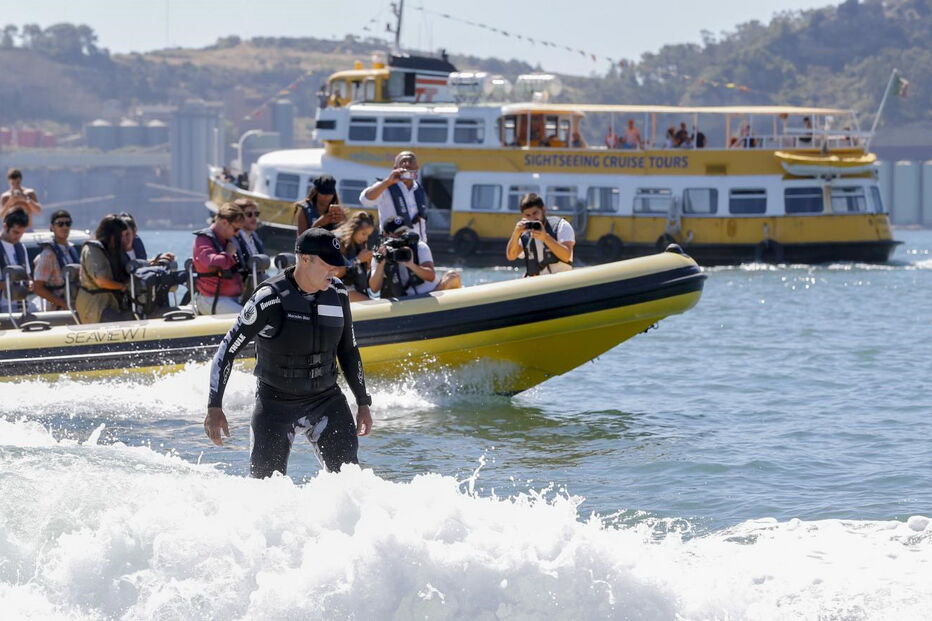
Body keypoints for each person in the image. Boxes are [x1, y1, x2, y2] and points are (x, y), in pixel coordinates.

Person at [204, 227, 373, 478]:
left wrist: (362, 402)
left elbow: (348, 349)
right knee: (265, 490)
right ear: (306, 259)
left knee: (351, 483)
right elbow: (227, 350)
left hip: (326, 400)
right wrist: (214, 407)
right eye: (329, 264)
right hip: (276, 403)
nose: (335, 271)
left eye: (337, 265)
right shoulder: (269, 298)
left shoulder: (337, 293)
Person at [368, 216, 460, 298]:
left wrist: (411, 265)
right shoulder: (380, 253)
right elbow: (374, 288)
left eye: (404, 231)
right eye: (398, 233)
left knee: (453, 276)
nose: (402, 235)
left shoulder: (420, 247)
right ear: (385, 234)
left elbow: (431, 276)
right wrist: (380, 264)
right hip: (408, 300)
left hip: (434, 292)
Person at [359, 151, 429, 243]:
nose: (407, 164)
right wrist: (388, 181)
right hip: (392, 244)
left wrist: (424, 243)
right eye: (402, 161)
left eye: (411, 161)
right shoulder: (385, 186)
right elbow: (365, 200)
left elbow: (422, 222)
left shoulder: (418, 189)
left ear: (417, 167)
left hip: (417, 245)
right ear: (395, 168)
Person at [75, 214, 133, 324]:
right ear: (111, 235)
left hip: (112, 301)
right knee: (118, 323)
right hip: (95, 304)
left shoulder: (113, 250)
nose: (124, 239)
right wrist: (122, 287)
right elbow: (102, 281)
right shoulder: (92, 250)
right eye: (121, 235)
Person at [192, 202, 245, 315]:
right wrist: (228, 254)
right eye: (236, 229)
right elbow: (211, 263)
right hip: (212, 299)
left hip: (231, 298)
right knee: (248, 320)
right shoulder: (203, 240)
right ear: (224, 222)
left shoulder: (228, 240)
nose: (237, 234)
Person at [505, 193, 575, 277]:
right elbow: (511, 256)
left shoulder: (561, 226)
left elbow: (566, 256)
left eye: (535, 213)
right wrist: (516, 234)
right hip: (538, 285)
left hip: (560, 283)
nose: (532, 218)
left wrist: (545, 238)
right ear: (523, 215)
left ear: (543, 209)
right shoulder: (525, 234)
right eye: (528, 215)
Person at [32, 209, 80, 311]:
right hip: (58, 311)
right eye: (60, 224)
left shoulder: (72, 249)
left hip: (77, 305)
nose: (65, 227)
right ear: (52, 227)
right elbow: (38, 288)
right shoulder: (48, 254)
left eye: (68, 223)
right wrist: (63, 304)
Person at [334, 210, 375, 302]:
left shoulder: (359, 245)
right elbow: (337, 272)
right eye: (363, 234)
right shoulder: (338, 242)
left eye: (368, 235)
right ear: (354, 229)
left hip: (355, 289)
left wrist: (368, 264)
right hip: (338, 290)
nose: (366, 238)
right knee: (374, 308)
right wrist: (358, 260)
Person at [0, 209, 36, 313]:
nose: (18, 236)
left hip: (21, 305)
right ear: (5, 226)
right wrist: (15, 285)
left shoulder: (21, 247)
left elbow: (27, 275)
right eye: (15, 232)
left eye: (21, 233)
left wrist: (29, 283)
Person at [232, 198, 268, 300]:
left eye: (256, 214)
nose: (254, 218)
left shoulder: (254, 237)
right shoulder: (233, 239)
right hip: (243, 291)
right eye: (249, 214)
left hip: (257, 284)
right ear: (238, 217)